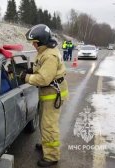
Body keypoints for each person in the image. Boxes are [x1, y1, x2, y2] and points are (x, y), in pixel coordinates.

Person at [21, 24, 69, 167]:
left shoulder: (50, 55)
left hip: (53, 94)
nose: (33, 45)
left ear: (41, 41)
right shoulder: (45, 50)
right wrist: (31, 69)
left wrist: (26, 77)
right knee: (44, 122)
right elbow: (40, 67)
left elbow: (43, 79)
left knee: (49, 125)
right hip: (48, 92)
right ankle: (46, 145)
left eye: (34, 42)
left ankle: (51, 156)